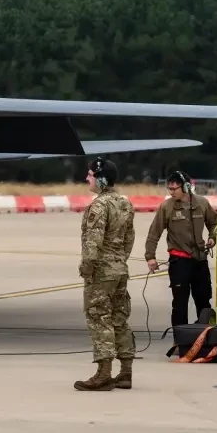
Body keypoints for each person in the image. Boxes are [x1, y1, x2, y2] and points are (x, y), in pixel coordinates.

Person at [75, 157, 136, 392]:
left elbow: (93, 242)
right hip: (119, 269)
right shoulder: (124, 202)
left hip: (102, 272)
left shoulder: (99, 206)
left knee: (99, 318)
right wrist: (119, 260)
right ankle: (126, 372)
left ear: (101, 179)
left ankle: (103, 374)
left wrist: (87, 269)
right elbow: (129, 237)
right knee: (120, 319)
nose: (86, 178)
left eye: (90, 175)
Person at [144, 170, 217, 326]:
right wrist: (150, 257)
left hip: (200, 260)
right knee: (180, 303)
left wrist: (212, 237)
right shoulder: (167, 207)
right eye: (169, 189)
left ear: (186, 187)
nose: (171, 192)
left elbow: (214, 223)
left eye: (174, 189)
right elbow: (154, 232)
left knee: (204, 300)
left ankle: (205, 333)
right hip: (179, 261)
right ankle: (180, 337)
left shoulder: (202, 203)